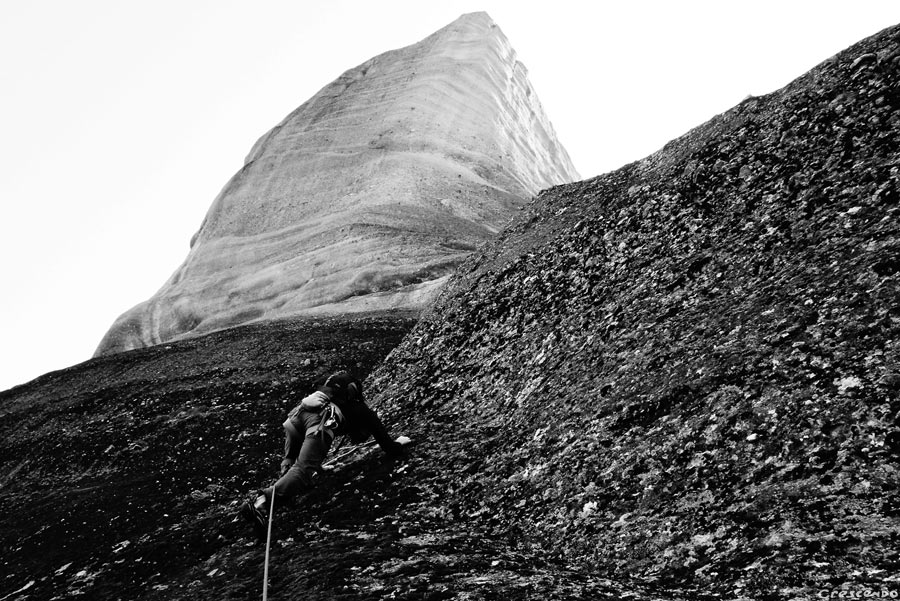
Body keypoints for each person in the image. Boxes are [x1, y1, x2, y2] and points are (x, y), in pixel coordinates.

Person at [240, 371, 411, 540]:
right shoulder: (361, 410)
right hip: (318, 424)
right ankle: (262, 502)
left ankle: (281, 490)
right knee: (303, 470)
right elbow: (389, 448)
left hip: (296, 418)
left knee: (293, 462)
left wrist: (318, 467)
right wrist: (400, 442)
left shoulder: (322, 399)